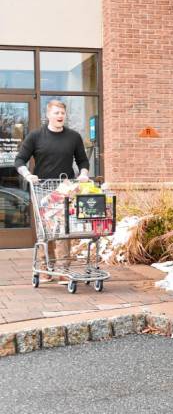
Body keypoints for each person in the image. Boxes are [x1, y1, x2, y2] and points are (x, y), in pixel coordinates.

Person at [14, 99, 90, 281]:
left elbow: (82, 161)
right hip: (42, 190)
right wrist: (27, 175)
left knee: (64, 230)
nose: (60, 116)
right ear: (48, 115)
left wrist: (84, 173)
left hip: (65, 190)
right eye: (56, 113)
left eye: (62, 113)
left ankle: (64, 270)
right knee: (45, 230)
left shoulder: (73, 137)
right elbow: (19, 160)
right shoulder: (35, 136)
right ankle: (46, 267)